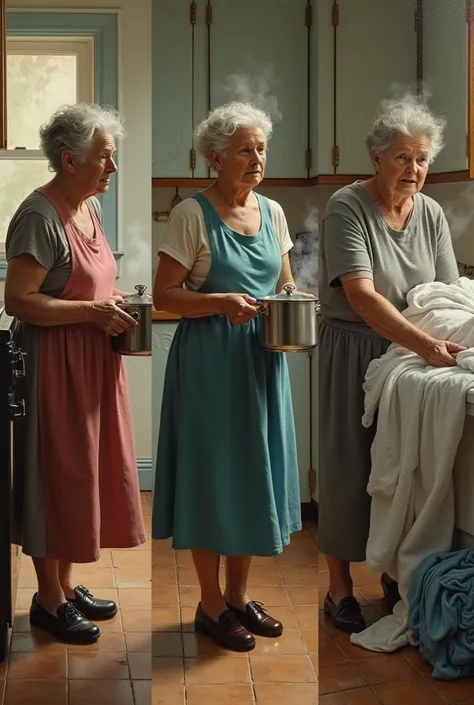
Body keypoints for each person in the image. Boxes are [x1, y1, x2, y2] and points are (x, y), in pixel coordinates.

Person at [152, 101, 309, 652]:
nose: (257, 158)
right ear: (215, 158)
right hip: (211, 365)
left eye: (261, 148)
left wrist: (294, 301)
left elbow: (284, 281)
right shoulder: (190, 215)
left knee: (250, 475)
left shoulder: (274, 212)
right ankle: (210, 603)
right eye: (245, 148)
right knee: (212, 476)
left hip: (262, 360)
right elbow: (167, 296)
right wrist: (219, 301)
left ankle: (239, 597)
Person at [318, 96, 465, 634]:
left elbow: (445, 294)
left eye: (422, 159)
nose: (413, 169)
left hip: (410, 355)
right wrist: (426, 345)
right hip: (356, 349)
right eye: (402, 157)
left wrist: (441, 341)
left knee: (406, 467)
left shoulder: (430, 212)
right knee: (348, 466)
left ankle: (395, 574)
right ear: (376, 157)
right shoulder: (345, 206)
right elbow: (361, 295)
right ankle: (339, 588)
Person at [4, 103, 146, 644]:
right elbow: (20, 300)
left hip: (91, 361)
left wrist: (111, 301)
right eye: (104, 158)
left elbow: (82, 283)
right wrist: (92, 311)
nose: (112, 168)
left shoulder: (89, 209)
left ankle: (64, 585)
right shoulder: (39, 216)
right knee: (55, 476)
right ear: (68, 160)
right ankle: (46, 599)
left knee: (83, 474)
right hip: (53, 368)